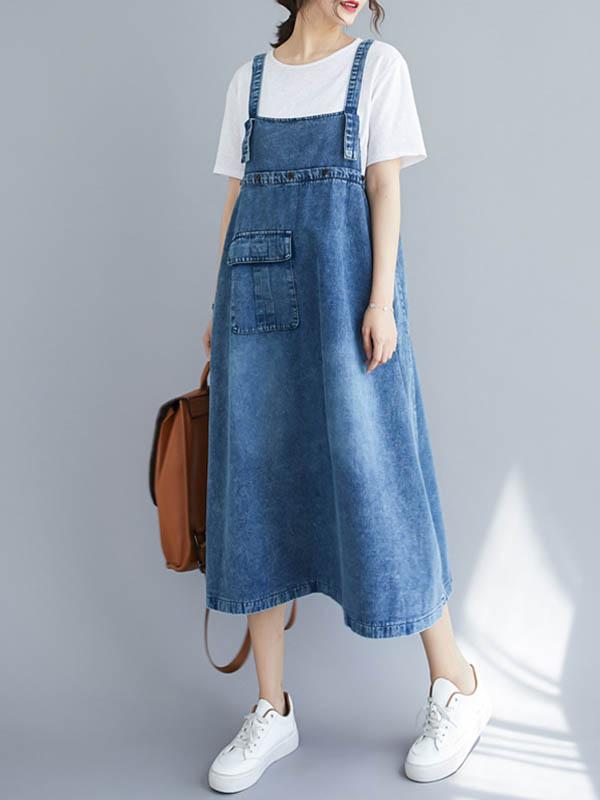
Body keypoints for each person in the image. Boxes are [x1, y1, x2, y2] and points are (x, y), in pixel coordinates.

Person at [202, 1, 491, 792]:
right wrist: (216, 307)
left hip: (348, 299)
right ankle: (271, 708)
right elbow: (236, 200)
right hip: (253, 304)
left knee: (380, 476)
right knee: (257, 484)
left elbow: (384, 188)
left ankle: (457, 684)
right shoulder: (248, 82)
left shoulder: (378, 68)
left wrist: (380, 301)